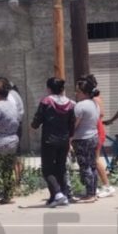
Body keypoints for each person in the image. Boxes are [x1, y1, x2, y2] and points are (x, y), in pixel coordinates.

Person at [31, 77, 75, 206]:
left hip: (49, 140)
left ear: (49, 88)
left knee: (47, 169)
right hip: (64, 140)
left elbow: (37, 119)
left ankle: (57, 193)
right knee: (60, 169)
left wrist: (33, 126)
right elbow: (71, 123)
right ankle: (61, 196)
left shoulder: (46, 101)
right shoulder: (70, 103)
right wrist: (70, 138)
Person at [72, 78, 101, 203]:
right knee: (93, 166)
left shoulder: (80, 106)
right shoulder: (94, 104)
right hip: (93, 136)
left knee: (85, 167)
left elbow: (74, 125)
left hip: (82, 139)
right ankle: (93, 192)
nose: (76, 93)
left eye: (78, 91)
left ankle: (90, 194)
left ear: (84, 92)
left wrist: (69, 136)